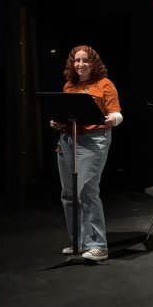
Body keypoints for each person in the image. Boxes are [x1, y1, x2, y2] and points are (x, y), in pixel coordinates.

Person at [49, 45, 123, 262]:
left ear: (93, 63)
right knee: (68, 194)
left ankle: (98, 245)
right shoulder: (69, 86)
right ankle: (79, 242)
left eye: (85, 60)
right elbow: (65, 113)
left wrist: (113, 119)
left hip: (92, 142)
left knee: (86, 192)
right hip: (68, 140)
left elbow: (117, 114)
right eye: (76, 61)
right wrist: (57, 122)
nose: (80, 64)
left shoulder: (104, 85)